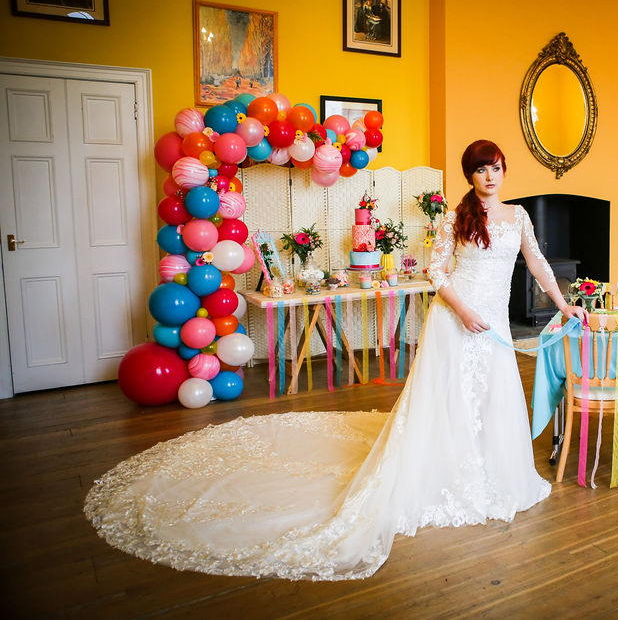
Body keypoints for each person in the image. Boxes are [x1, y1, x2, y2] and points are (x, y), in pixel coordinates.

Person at [85, 140, 586, 581]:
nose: (489, 176)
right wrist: (464, 310)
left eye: (495, 167)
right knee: (452, 398)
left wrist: (561, 301)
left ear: (504, 170)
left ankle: (492, 471)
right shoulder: (457, 217)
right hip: (460, 319)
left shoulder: (518, 216)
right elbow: (437, 272)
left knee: (492, 398)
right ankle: (449, 468)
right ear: (470, 176)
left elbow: (538, 262)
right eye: (480, 169)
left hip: (494, 324)